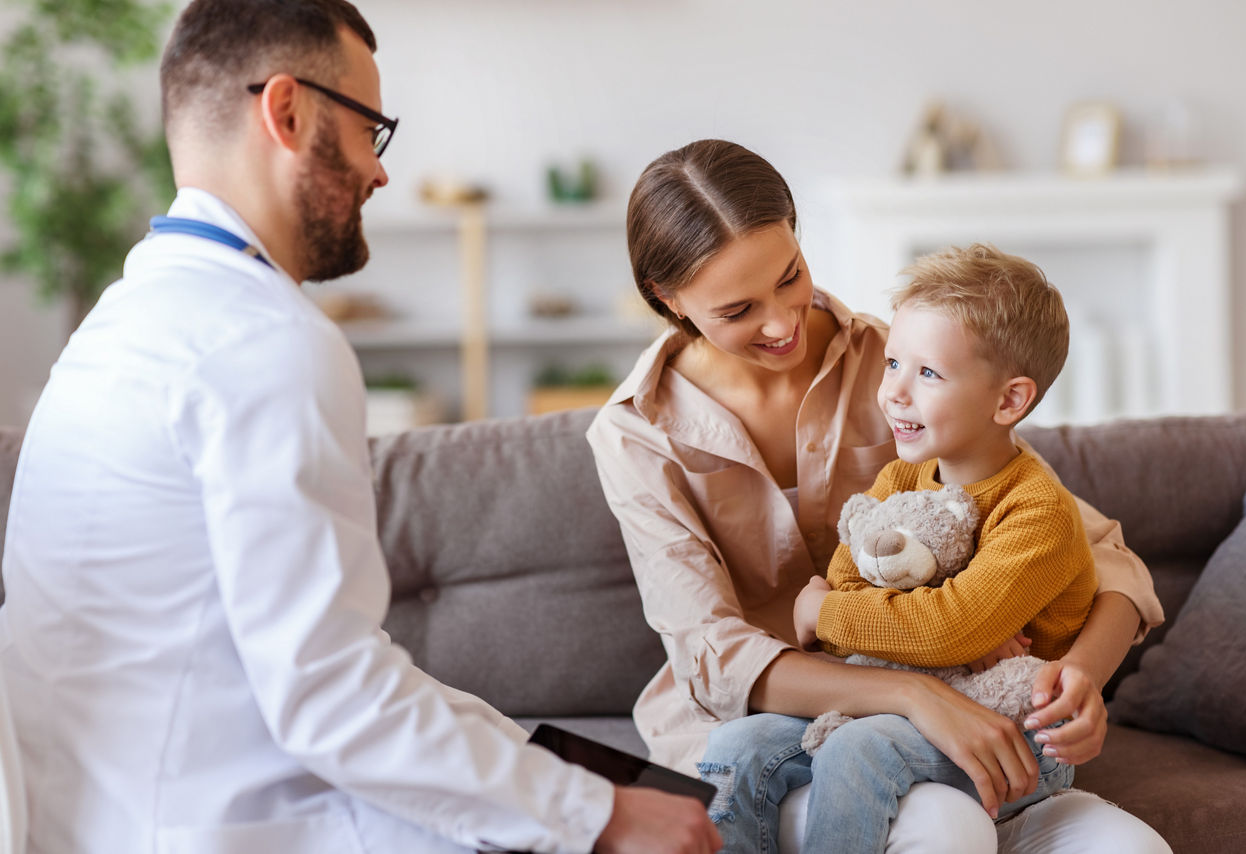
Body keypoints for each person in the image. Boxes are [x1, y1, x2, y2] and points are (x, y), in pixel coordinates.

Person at [0, 3, 720, 853]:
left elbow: (312, 660)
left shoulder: (121, 323)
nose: (381, 175)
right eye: (369, 129)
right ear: (288, 111)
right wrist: (596, 814)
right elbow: (330, 696)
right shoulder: (267, 341)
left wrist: (532, 759)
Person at [586, 139, 1171, 853]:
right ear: (664, 299)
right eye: (739, 308)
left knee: (1130, 848)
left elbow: (1093, 550)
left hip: (957, 713)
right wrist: (913, 695)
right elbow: (712, 656)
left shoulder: (901, 363)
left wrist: (1079, 678)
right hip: (773, 736)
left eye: (790, 276)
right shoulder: (634, 433)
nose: (781, 324)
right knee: (939, 826)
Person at [784, 244, 1099, 852]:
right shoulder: (899, 480)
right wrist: (945, 626)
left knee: (857, 750)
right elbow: (855, 586)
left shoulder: (1038, 510)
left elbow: (941, 628)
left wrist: (818, 610)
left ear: (1009, 401)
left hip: (1017, 733)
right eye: (893, 362)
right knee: (739, 749)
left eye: (927, 373)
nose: (895, 392)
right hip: (917, 705)